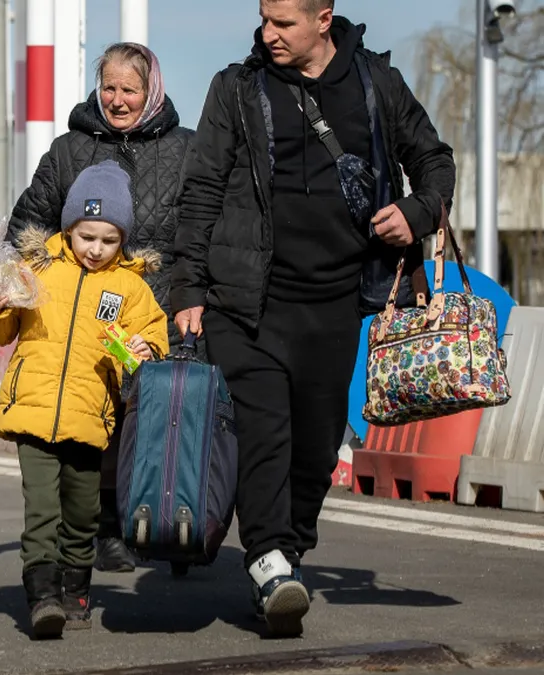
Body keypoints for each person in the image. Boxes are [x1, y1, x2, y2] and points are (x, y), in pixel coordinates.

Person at [171, 0, 455, 638]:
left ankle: (285, 555)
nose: (267, 34)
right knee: (265, 434)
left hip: (336, 302)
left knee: (316, 447)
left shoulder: (376, 84)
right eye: (264, 20)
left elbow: (435, 159)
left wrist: (417, 209)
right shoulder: (236, 88)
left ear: (324, 19)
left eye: (283, 24)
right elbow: (202, 189)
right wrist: (188, 286)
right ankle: (269, 560)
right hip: (246, 301)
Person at [7, 42, 193, 574]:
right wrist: (21, 278)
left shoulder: (187, 150)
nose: (116, 99)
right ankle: (105, 530)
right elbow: (29, 224)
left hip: (161, 311)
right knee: (99, 428)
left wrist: (195, 298)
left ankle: (169, 525)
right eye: (108, 87)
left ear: (151, 89)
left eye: (129, 89)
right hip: (82, 317)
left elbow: (204, 230)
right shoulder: (70, 150)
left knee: (160, 426)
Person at [0, 161, 170, 639]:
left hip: (90, 418)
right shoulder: (35, 269)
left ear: (121, 239)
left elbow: (152, 336)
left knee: (82, 513)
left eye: (108, 239)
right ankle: (42, 595)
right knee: (41, 508)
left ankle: (77, 587)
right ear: (69, 228)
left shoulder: (130, 287)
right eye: (86, 236)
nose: (96, 249)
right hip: (32, 411)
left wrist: (146, 350)